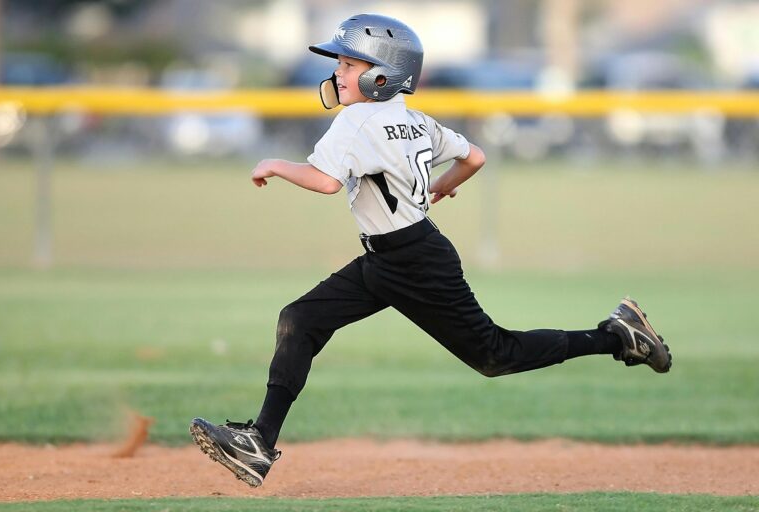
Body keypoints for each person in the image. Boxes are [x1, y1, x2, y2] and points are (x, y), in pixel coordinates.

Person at [189, 14, 672, 488]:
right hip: (396, 256)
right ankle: (258, 441)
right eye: (340, 62)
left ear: (383, 75)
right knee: (301, 319)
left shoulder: (356, 121)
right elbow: (474, 157)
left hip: (413, 263)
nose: (338, 71)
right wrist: (440, 186)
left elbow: (325, 182)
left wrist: (275, 163)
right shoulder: (413, 118)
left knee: (494, 355)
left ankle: (617, 336)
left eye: (349, 64)